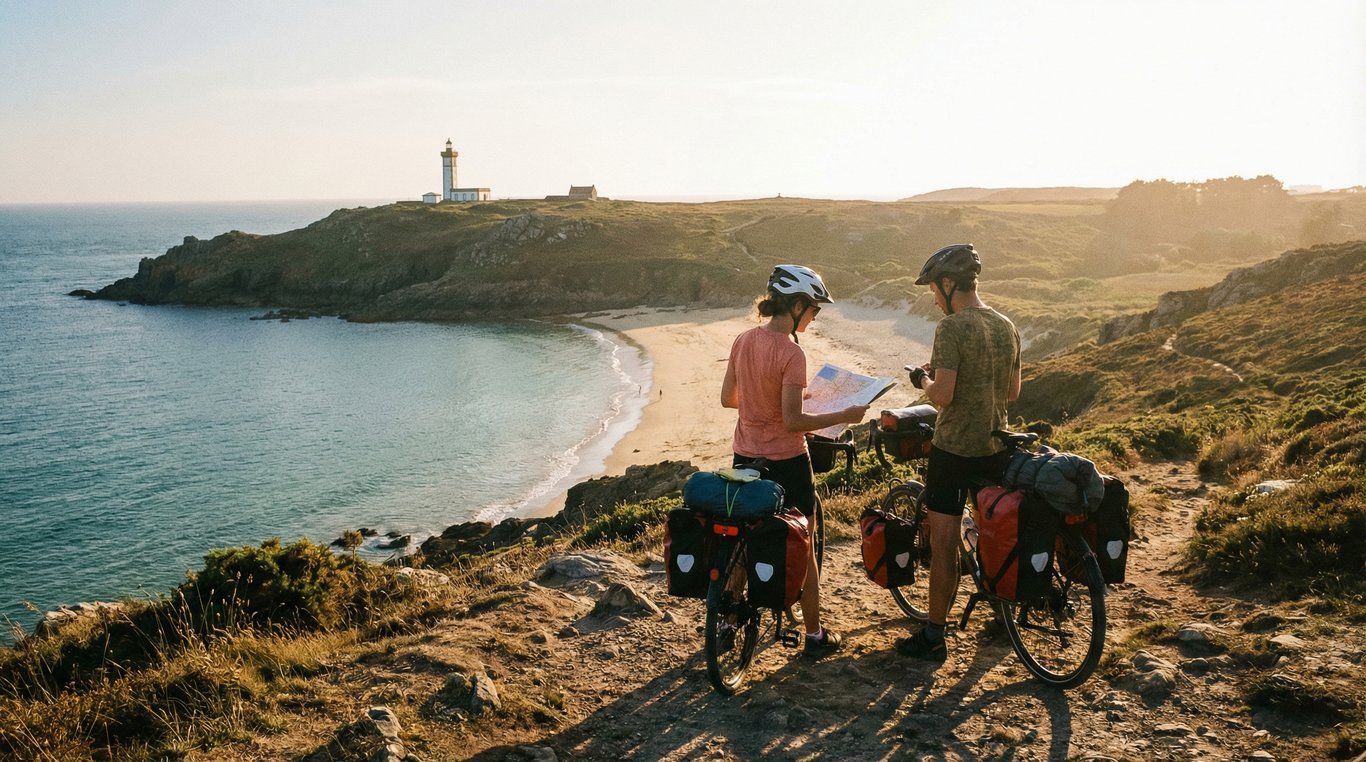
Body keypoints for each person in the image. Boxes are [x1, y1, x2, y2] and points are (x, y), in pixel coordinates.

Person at [721, 264, 868, 659]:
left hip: (745, 455)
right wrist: (844, 415)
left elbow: (728, 399)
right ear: (798, 305)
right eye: (814, 309)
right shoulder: (791, 352)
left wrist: (763, 402)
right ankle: (815, 635)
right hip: (787, 462)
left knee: (744, 536)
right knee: (804, 545)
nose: (815, 316)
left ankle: (729, 621)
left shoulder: (743, 340)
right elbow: (792, 421)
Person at [897, 244, 1021, 662]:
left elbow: (943, 395)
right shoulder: (1006, 324)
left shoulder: (950, 328)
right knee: (995, 533)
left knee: (945, 544)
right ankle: (1004, 610)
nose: (934, 299)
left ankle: (934, 634)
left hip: (953, 451)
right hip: (996, 447)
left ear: (949, 284)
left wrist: (922, 381)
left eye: (934, 289)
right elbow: (1012, 392)